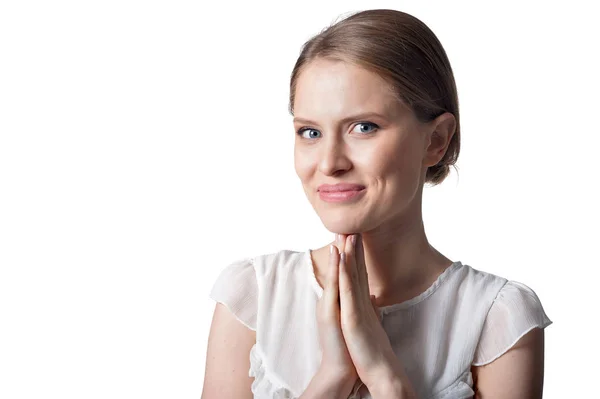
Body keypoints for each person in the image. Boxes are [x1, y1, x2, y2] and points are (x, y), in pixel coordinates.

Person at [201, 8, 552, 399]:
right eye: (310, 132)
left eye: (363, 127)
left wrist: (383, 374)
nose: (330, 163)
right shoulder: (253, 296)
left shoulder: (497, 317)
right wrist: (333, 376)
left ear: (436, 140)